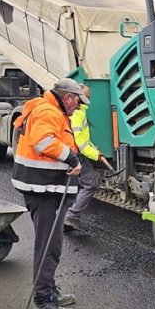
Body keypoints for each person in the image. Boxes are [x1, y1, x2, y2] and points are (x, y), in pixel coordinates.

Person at [12, 79, 86, 309]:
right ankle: (43, 303)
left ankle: (49, 292)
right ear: (68, 97)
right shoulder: (48, 111)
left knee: (52, 245)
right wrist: (72, 159)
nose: (79, 106)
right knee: (48, 247)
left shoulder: (51, 110)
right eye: (78, 101)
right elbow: (43, 142)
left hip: (45, 188)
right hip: (43, 190)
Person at [64, 84, 104, 232]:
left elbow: (84, 139)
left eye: (89, 97)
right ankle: (71, 216)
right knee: (91, 182)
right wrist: (95, 154)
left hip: (74, 153)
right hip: (75, 154)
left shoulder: (80, 111)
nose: (88, 101)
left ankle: (65, 216)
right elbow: (79, 141)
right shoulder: (77, 114)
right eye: (86, 97)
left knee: (76, 184)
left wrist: (94, 149)